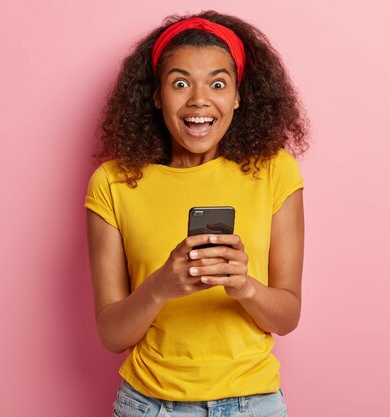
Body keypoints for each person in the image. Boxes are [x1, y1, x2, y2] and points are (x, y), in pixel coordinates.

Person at [85, 10, 309, 417]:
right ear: (156, 95)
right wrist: (160, 286)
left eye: (218, 83)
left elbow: (287, 315)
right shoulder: (113, 183)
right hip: (148, 406)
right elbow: (111, 334)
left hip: (253, 404)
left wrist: (244, 286)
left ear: (238, 96)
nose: (199, 100)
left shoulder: (274, 170)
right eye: (180, 83)